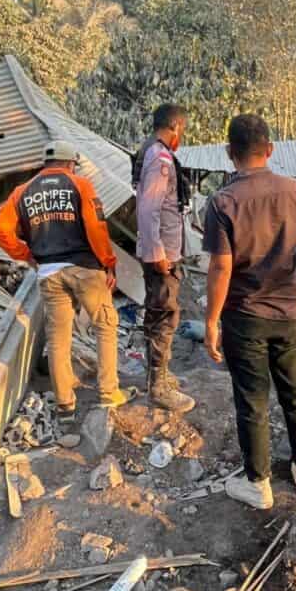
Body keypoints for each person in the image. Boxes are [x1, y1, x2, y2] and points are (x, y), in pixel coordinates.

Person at [203, 114, 296, 510]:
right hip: (289, 309)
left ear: (228, 153)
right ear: (269, 150)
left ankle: (260, 484)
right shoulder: (294, 190)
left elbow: (221, 266)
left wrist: (210, 321)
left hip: (244, 314)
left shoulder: (222, 202)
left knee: (252, 400)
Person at [0, 140, 131, 423]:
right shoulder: (80, 185)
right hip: (84, 269)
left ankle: (65, 405)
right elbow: (95, 226)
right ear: (70, 164)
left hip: (49, 273)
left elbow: (0, 229)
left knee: (58, 340)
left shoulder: (22, 192)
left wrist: (26, 254)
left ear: (46, 164)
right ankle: (108, 392)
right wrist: (108, 262)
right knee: (104, 326)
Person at [134, 104, 196, 413]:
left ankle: (160, 376)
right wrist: (157, 252)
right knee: (164, 315)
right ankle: (158, 388)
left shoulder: (150, 151)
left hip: (162, 251)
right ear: (174, 128)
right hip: (163, 255)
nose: (180, 138)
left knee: (159, 312)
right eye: (181, 132)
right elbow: (148, 208)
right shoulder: (159, 157)